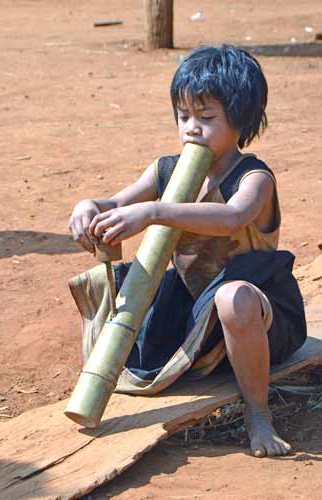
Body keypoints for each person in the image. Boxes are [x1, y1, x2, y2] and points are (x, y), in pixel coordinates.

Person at [68, 45, 306, 458]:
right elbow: (115, 202)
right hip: (192, 316)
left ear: (242, 118)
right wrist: (89, 207)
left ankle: (259, 414)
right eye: (184, 116)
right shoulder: (165, 170)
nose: (192, 128)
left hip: (258, 312)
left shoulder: (253, 178)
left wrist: (156, 212)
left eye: (207, 117)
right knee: (123, 293)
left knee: (232, 297)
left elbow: (232, 218)